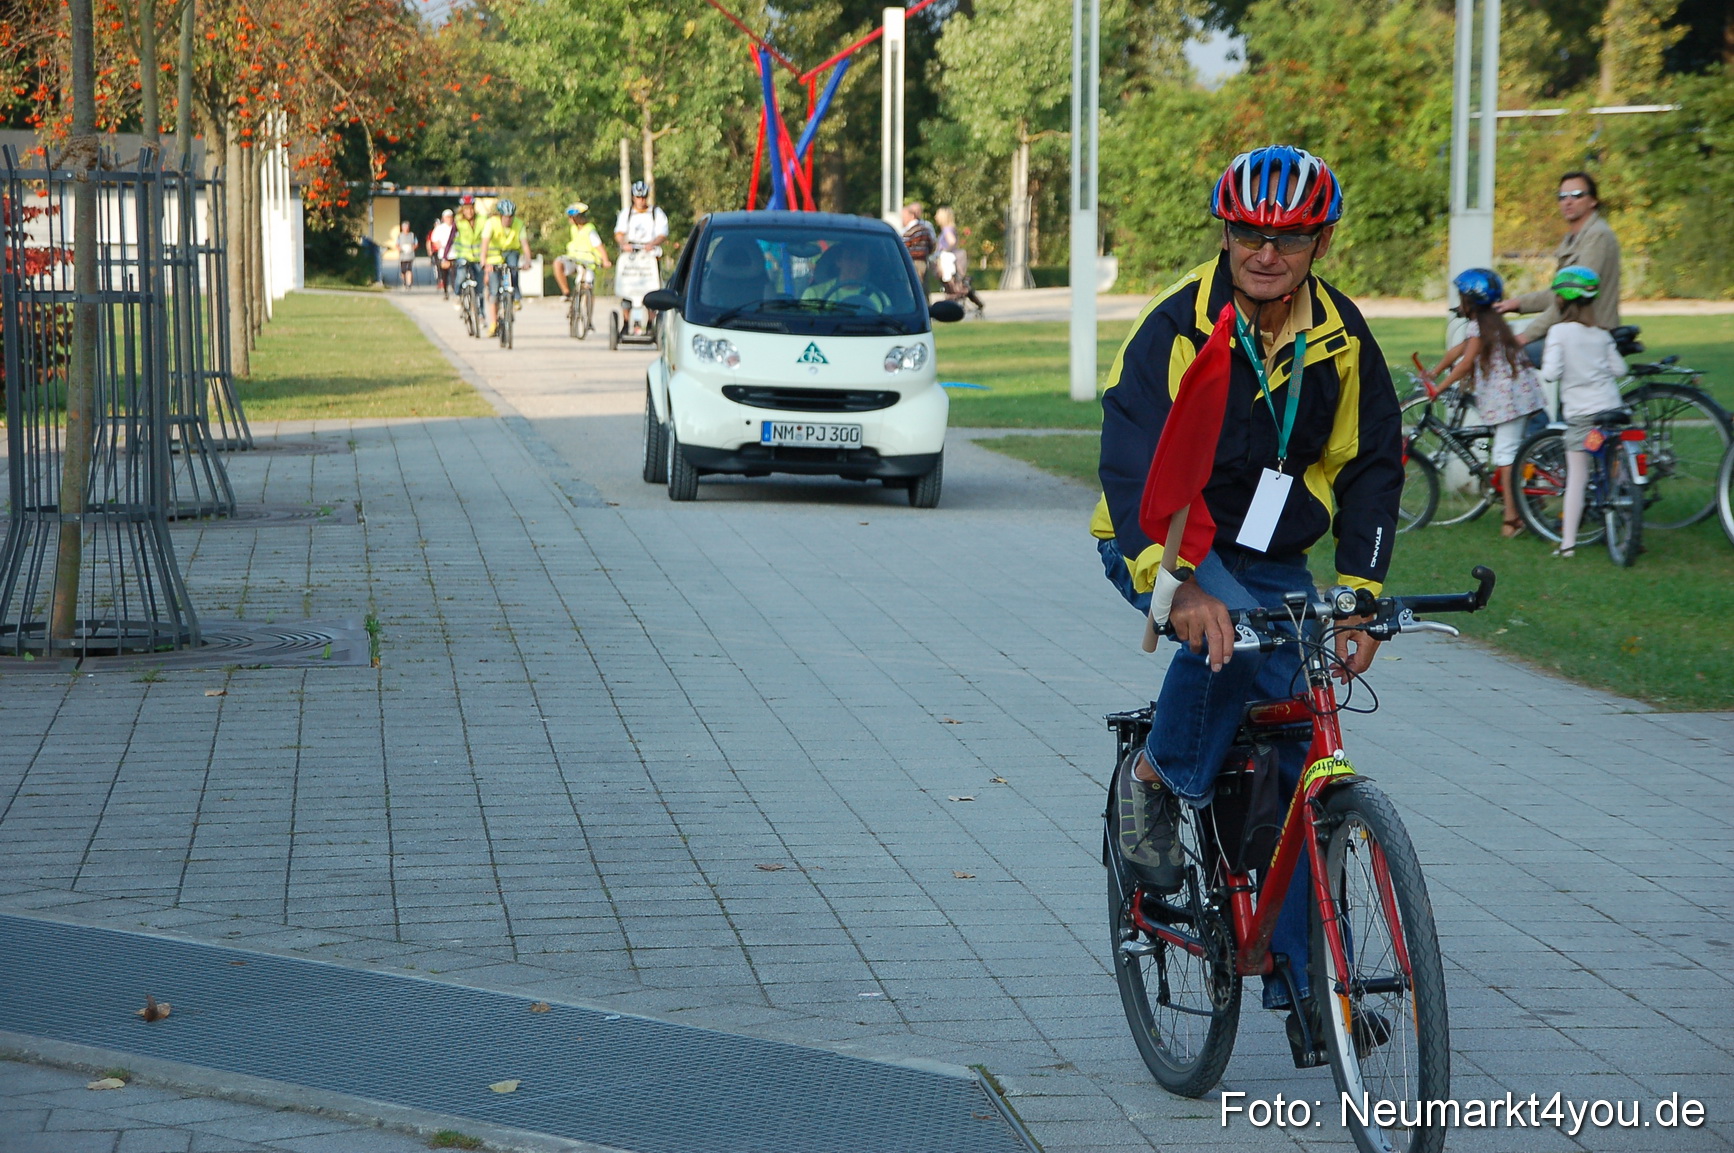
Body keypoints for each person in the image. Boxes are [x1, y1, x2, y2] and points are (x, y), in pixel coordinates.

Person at [1093, 145, 1402, 1054]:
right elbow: (1129, 461)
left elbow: (1373, 460)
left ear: (1319, 240)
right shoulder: (1175, 327)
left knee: (1304, 743)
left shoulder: (1342, 335)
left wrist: (1361, 592)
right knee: (1227, 637)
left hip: (1269, 546)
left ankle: (1315, 992)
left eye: (1289, 237)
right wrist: (1175, 581)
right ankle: (1156, 776)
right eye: (1248, 234)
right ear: (1224, 232)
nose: (1266, 252)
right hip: (1158, 530)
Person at [1425, 269, 1547, 538]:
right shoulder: (1489, 322)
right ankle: (1529, 504)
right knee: (1511, 450)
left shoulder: (1480, 325)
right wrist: (1434, 372)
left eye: (1462, 299)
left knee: (1505, 455)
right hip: (1516, 395)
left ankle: (1513, 518)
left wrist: (1439, 388)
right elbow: (1458, 351)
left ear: (1470, 301)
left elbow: (1466, 362)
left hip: (1509, 399)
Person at [1538, 266, 1627, 559]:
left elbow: (1551, 373)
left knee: (1577, 476)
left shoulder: (1559, 332)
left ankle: (1568, 544)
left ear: (1561, 300)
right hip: (1612, 408)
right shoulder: (1601, 334)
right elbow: (1619, 369)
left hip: (1582, 416)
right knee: (1616, 467)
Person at [1495, 171, 1621, 365]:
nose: (1568, 201)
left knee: (1511, 356)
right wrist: (1515, 304)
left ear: (1593, 200)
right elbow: (1558, 294)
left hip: (1590, 333)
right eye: (1562, 197)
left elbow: (1573, 296)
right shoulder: (1573, 238)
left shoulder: (1597, 236)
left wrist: (1526, 336)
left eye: (1577, 195)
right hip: (1573, 329)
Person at [614, 181, 668, 333]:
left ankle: (651, 323)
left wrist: (653, 243)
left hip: (650, 256)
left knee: (651, 291)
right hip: (631, 256)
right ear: (633, 197)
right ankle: (625, 323)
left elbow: (663, 233)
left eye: (644, 197)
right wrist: (623, 243)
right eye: (638, 197)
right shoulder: (627, 213)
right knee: (627, 290)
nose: (641, 200)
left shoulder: (656, 213)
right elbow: (619, 233)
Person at [479, 198, 532, 338]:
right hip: (494, 254)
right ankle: (493, 324)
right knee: (494, 291)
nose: (508, 220)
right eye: (506, 217)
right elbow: (485, 243)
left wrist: (528, 260)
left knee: (513, 268)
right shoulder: (491, 223)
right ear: (500, 216)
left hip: (511, 252)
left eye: (511, 217)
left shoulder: (519, 224)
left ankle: (515, 297)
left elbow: (525, 244)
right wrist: (484, 261)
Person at [801, 241, 895, 312]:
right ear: (839, 262)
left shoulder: (880, 299)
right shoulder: (813, 294)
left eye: (861, 260)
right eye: (850, 258)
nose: (855, 265)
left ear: (867, 265)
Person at [553, 202, 612, 300]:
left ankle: (586, 310)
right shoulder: (573, 229)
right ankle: (566, 293)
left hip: (588, 263)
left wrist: (605, 260)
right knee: (557, 263)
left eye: (571, 217)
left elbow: (599, 246)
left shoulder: (589, 229)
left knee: (587, 284)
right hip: (574, 260)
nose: (569, 219)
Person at [934, 206, 985, 317]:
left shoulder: (947, 230)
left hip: (948, 262)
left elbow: (951, 241)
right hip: (953, 260)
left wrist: (943, 252)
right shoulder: (950, 228)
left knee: (952, 287)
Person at [446, 196, 485, 314]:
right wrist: (445, 257)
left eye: (471, 208)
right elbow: (451, 239)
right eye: (466, 209)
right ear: (462, 209)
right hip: (463, 255)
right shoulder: (458, 221)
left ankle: (481, 314)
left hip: (478, 257)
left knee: (480, 287)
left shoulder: (482, 220)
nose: (469, 212)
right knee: (461, 276)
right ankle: (457, 295)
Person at [900, 202, 936, 290]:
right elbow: (932, 245)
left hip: (913, 263)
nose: (902, 220)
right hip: (923, 261)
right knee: (924, 288)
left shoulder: (910, 232)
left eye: (904, 217)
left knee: (915, 288)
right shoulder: (925, 229)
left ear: (911, 216)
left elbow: (903, 248)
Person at [427, 209, 455, 299]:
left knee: (454, 274)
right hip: (443, 254)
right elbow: (434, 239)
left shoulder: (455, 227)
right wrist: (438, 245)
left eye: (450, 217)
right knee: (444, 274)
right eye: (447, 217)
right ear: (443, 218)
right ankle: (446, 291)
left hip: (454, 254)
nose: (449, 219)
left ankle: (456, 291)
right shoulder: (439, 228)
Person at [395, 220, 418, 290]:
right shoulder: (400, 236)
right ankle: (404, 281)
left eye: (407, 227)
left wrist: (412, 248)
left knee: (409, 270)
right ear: (402, 228)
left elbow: (416, 244)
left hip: (410, 256)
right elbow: (397, 245)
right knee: (403, 271)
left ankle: (409, 284)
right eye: (404, 227)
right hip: (402, 256)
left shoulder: (412, 235)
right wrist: (401, 249)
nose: (406, 228)